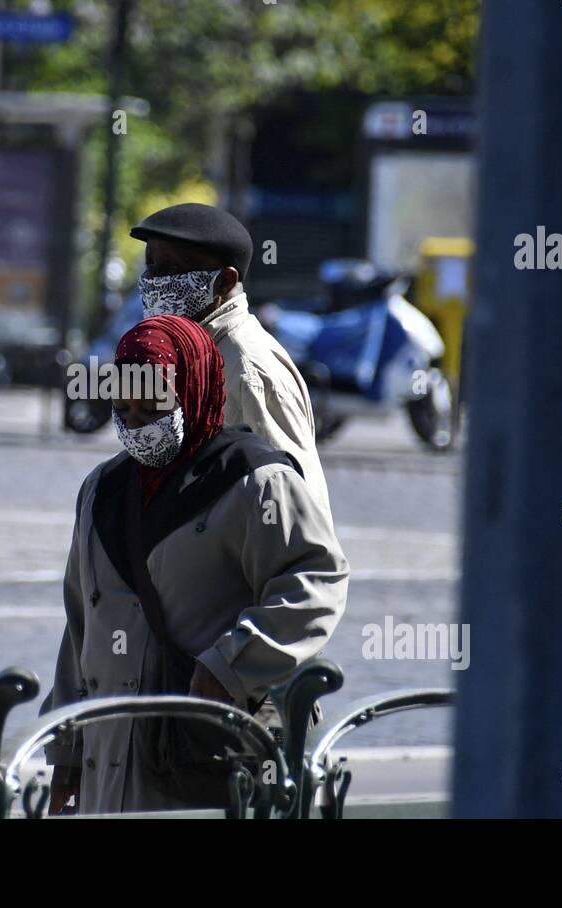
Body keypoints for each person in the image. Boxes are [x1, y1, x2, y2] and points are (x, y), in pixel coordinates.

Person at [42, 314, 349, 815]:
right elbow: (81, 629)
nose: (137, 422)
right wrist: (66, 754)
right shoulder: (102, 490)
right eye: (124, 406)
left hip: (203, 764)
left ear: (193, 388)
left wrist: (232, 662)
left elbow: (315, 580)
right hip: (107, 765)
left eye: (153, 405)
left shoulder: (254, 480)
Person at [128, 203, 334, 530]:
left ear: (224, 282)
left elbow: (294, 510)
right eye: (150, 265)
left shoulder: (249, 370)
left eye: (172, 269)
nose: (154, 281)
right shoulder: (185, 348)